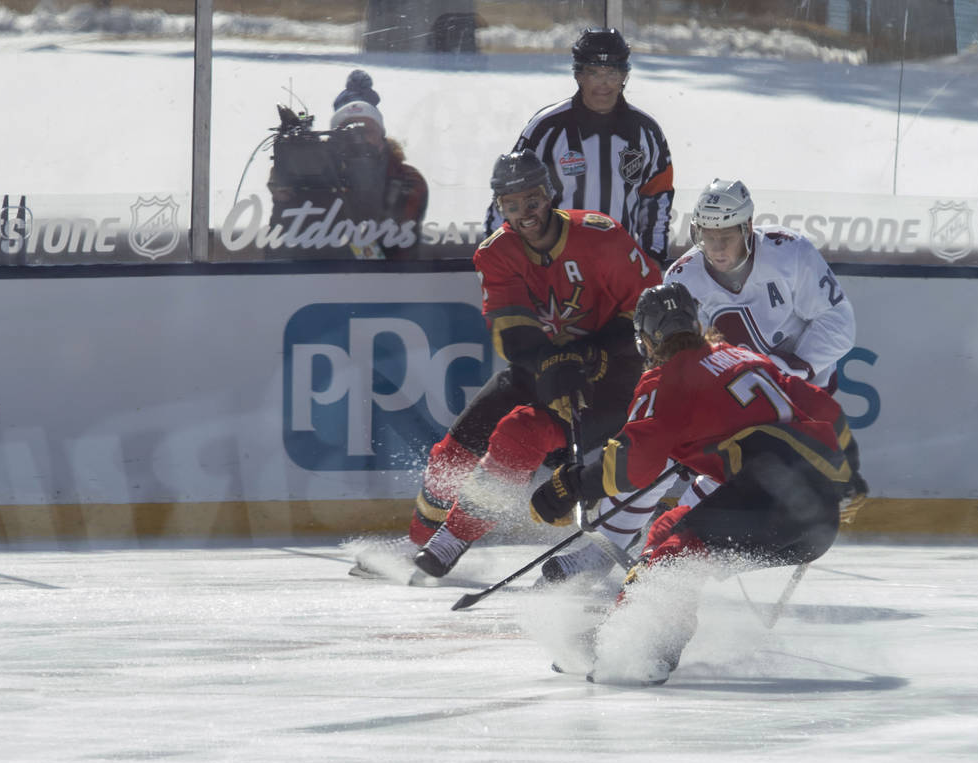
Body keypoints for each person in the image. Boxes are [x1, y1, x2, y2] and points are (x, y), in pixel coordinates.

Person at [529, 282, 863, 685]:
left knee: (677, 551)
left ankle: (641, 650)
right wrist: (850, 476)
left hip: (771, 502)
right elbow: (826, 409)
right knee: (672, 531)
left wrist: (569, 485)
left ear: (646, 341)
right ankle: (626, 633)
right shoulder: (742, 356)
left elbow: (632, 466)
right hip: (816, 522)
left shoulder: (664, 381)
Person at [350, 149, 660, 579]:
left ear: (549, 195)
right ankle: (419, 544)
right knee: (451, 454)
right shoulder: (496, 253)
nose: (523, 213)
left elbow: (647, 309)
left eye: (531, 200)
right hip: (543, 367)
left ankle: (460, 539)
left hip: (613, 373)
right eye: (510, 204)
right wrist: (550, 365)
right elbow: (513, 331)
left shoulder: (601, 236)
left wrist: (593, 352)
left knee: (523, 437)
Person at [539, 177, 866, 583]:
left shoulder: (790, 252)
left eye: (726, 236)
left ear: (748, 229)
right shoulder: (685, 277)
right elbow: (682, 354)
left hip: (791, 396)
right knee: (663, 446)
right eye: (706, 236)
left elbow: (839, 323)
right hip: (733, 390)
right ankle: (610, 547)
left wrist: (791, 368)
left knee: (718, 474)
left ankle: (670, 552)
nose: (715, 248)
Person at [484, 27, 674, 267]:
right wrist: (499, 260)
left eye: (612, 73)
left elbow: (658, 199)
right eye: (594, 72)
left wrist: (653, 257)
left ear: (624, 76)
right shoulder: (545, 128)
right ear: (578, 75)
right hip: (553, 269)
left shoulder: (647, 132)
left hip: (620, 270)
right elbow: (507, 196)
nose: (603, 84)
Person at [267, 74, 428, 261]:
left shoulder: (404, 179)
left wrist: (356, 191)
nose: (358, 140)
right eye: (348, 132)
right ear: (334, 140)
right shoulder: (318, 175)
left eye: (366, 131)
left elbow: (389, 256)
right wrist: (286, 199)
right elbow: (281, 258)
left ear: (382, 138)